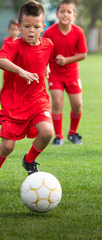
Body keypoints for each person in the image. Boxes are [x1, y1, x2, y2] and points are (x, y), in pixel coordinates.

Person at [0, 0, 54, 192]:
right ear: (18, 27)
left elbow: (45, 57)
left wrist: (46, 67)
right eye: (27, 26)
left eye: (36, 27)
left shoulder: (48, 45)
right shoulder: (14, 45)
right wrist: (20, 71)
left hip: (38, 100)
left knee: (47, 132)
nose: (31, 31)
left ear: (43, 27)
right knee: (7, 147)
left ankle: (29, 161)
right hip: (13, 104)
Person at [43, 0, 87, 145]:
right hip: (55, 74)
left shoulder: (78, 32)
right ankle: (59, 136)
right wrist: (45, 66)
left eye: (69, 12)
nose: (65, 14)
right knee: (56, 103)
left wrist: (67, 60)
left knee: (77, 105)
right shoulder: (49, 32)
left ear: (74, 15)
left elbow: (83, 54)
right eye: (62, 11)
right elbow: (43, 52)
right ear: (57, 14)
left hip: (73, 74)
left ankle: (73, 134)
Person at [0, 19, 20, 111]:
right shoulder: (7, 41)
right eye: (13, 29)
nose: (14, 32)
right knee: (6, 86)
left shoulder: (21, 41)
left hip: (18, 69)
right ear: (8, 30)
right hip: (8, 69)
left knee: (17, 86)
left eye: (16, 29)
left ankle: (14, 103)